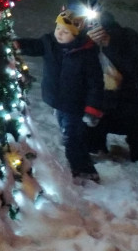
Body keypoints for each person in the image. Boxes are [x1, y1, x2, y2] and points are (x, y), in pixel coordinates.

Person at [67, 0, 138, 166]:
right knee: (86, 132)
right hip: (90, 104)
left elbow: (137, 71)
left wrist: (109, 45)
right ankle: (96, 147)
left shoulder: (125, 35)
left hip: (124, 101)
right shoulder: (71, 38)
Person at [17, 10, 105, 182]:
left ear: (76, 34)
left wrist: (92, 109)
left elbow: (96, 84)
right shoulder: (50, 43)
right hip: (58, 101)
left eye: (65, 32)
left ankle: (83, 172)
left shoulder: (86, 54)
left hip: (76, 105)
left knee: (72, 139)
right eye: (58, 28)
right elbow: (34, 45)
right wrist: (17, 44)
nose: (59, 33)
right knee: (72, 138)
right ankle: (83, 166)